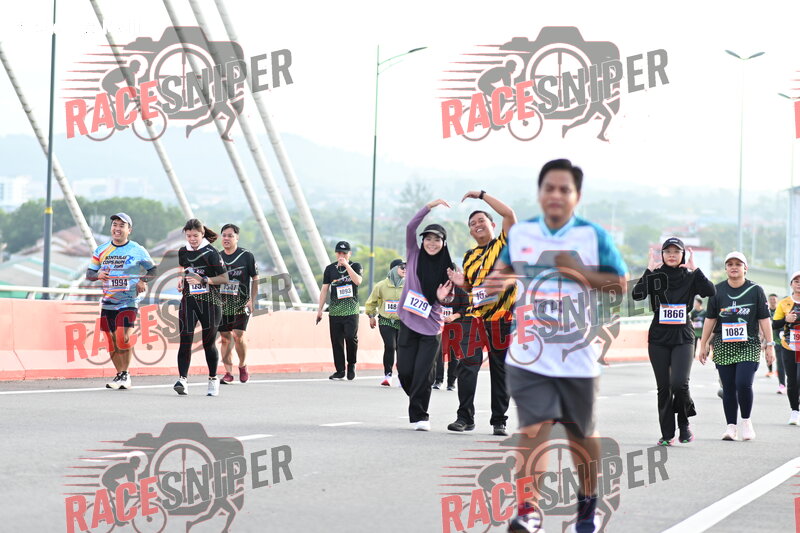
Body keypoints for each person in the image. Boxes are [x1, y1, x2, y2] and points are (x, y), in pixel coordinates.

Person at [483, 159, 627, 533]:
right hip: (529, 353)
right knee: (533, 429)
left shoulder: (593, 236)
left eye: (565, 189)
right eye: (550, 188)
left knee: (581, 435)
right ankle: (528, 510)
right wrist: (496, 282)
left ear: (577, 196)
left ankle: (588, 507)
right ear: (540, 192)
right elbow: (505, 270)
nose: (556, 195)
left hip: (576, 355)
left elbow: (620, 285)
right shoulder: (522, 233)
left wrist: (576, 272)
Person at [446, 190, 517, 436]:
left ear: (493, 225)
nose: (477, 225)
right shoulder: (470, 256)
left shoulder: (504, 244)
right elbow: (471, 288)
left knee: (500, 370)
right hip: (474, 319)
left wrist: (482, 195)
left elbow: (509, 213)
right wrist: (462, 283)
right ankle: (464, 417)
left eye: (481, 220)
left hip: (502, 319)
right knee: (467, 366)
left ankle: (499, 420)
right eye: (472, 223)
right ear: (470, 232)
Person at [632, 239, 715, 446]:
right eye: (667, 251)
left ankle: (684, 422)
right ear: (661, 255)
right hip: (659, 337)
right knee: (664, 387)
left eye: (676, 252)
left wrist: (696, 269)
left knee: (679, 383)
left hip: (683, 336)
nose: (671, 255)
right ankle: (667, 434)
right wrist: (648, 270)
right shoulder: (655, 276)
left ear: (682, 255)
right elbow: (637, 294)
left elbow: (710, 291)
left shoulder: (690, 276)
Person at [699, 252, 775, 440]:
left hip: (749, 344)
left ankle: (746, 422)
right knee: (729, 387)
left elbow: (764, 319)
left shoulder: (755, 290)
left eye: (738, 264)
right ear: (725, 268)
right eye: (730, 264)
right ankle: (731, 427)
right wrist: (703, 344)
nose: (734, 267)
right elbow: (710, 319)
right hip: (723, 345)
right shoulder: (717, 290)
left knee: (743, 383)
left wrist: (770, 345)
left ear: (745, 268)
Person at [397, 199, 456, 431]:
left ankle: (421, 416)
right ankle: (418, 396)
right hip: (408, 321)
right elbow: (410, 227)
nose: (432, 243)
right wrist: (429, 206)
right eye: (428, 238)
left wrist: (442, 298)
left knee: (422, 374)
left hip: (431, 328)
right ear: (422, 241)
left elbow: (451, 299)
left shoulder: (449, 268)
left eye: (437, 239)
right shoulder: (413, 254)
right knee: (405, 372)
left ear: (443, 243)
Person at [85, 213, 156, 390]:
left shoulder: (137, 249)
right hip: (108, 301)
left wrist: (142, 280)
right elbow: (89, 273)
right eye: (115, 225)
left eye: (121, 226)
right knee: (110, 341)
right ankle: (120, 374)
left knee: (122, 337)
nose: (117, 228)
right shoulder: (101, 250)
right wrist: (98, 274)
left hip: (128, 300)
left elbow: (153, 270)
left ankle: (125, 374)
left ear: (129, 230)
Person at [174, 219, 229, 397]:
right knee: (185, 340)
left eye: (195, 236)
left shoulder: (211, 253)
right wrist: (180, 278)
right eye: (189, 236)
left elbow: (224, 278)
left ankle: (213, 378)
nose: (192, 239)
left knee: (208, 343)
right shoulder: (183, 251)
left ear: (202, 234)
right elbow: (182, 266)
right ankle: (182, 380)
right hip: (189, 300)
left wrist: (203, 280)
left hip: (210, 303)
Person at [217, 224, 259, 384]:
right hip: (222, 303)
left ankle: (242, 365)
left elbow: (255, 278)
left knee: (238, 335)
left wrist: (252, 300)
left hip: (241, 303)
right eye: (224, 235)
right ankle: (228, 373)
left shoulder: (246, 256)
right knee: (225, 338)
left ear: (237, 238)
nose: (226, 238)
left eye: (230, 236)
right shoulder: (217, 257)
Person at [317, 241, 363, 380]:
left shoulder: (355, 266)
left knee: (350, 337)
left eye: (344, 253)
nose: (341, 255)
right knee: (336, 341)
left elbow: (358, 281)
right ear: (336, 253)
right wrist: (320, 309)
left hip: (351, 310)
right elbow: (324, 289)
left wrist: (347, 265)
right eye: (339, 253)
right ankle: (340, 370)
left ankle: (351, 364)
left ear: (350, 254)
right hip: (335, 311)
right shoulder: (330, 269)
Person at [365, 259, 406, 386]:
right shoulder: (381, 286)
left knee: (401, 349)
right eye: (402, 267)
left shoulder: (409, 285)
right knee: (390, 346)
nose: (405, 270)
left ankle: (402, 377)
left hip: (403, 322)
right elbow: (371, 302)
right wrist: (371, 316)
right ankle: (388, 375)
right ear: (393, 269)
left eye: (406, 267)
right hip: (385, 320)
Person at [771, 274, 800, 425]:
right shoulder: (784, 303)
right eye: (796, 281)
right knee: (792, 380)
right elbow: (775, 324)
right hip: (789, 346)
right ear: (791, 284)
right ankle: (795, 411)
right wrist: (786, 320)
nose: (799, 284)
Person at [435, 286, 468, 391]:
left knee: (454, 354)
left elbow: (466, 307)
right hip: (440, 326)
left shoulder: (461, 290)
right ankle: (438, 380)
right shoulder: (438, 288)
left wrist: (454, 316)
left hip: (456, 326)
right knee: (440, 353)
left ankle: (451, 382)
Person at [768, 293, 787, 392]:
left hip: (795, 344)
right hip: (779, 342)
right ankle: (782, 385)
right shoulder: (778, 313)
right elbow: (773, 326)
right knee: (780, 364)